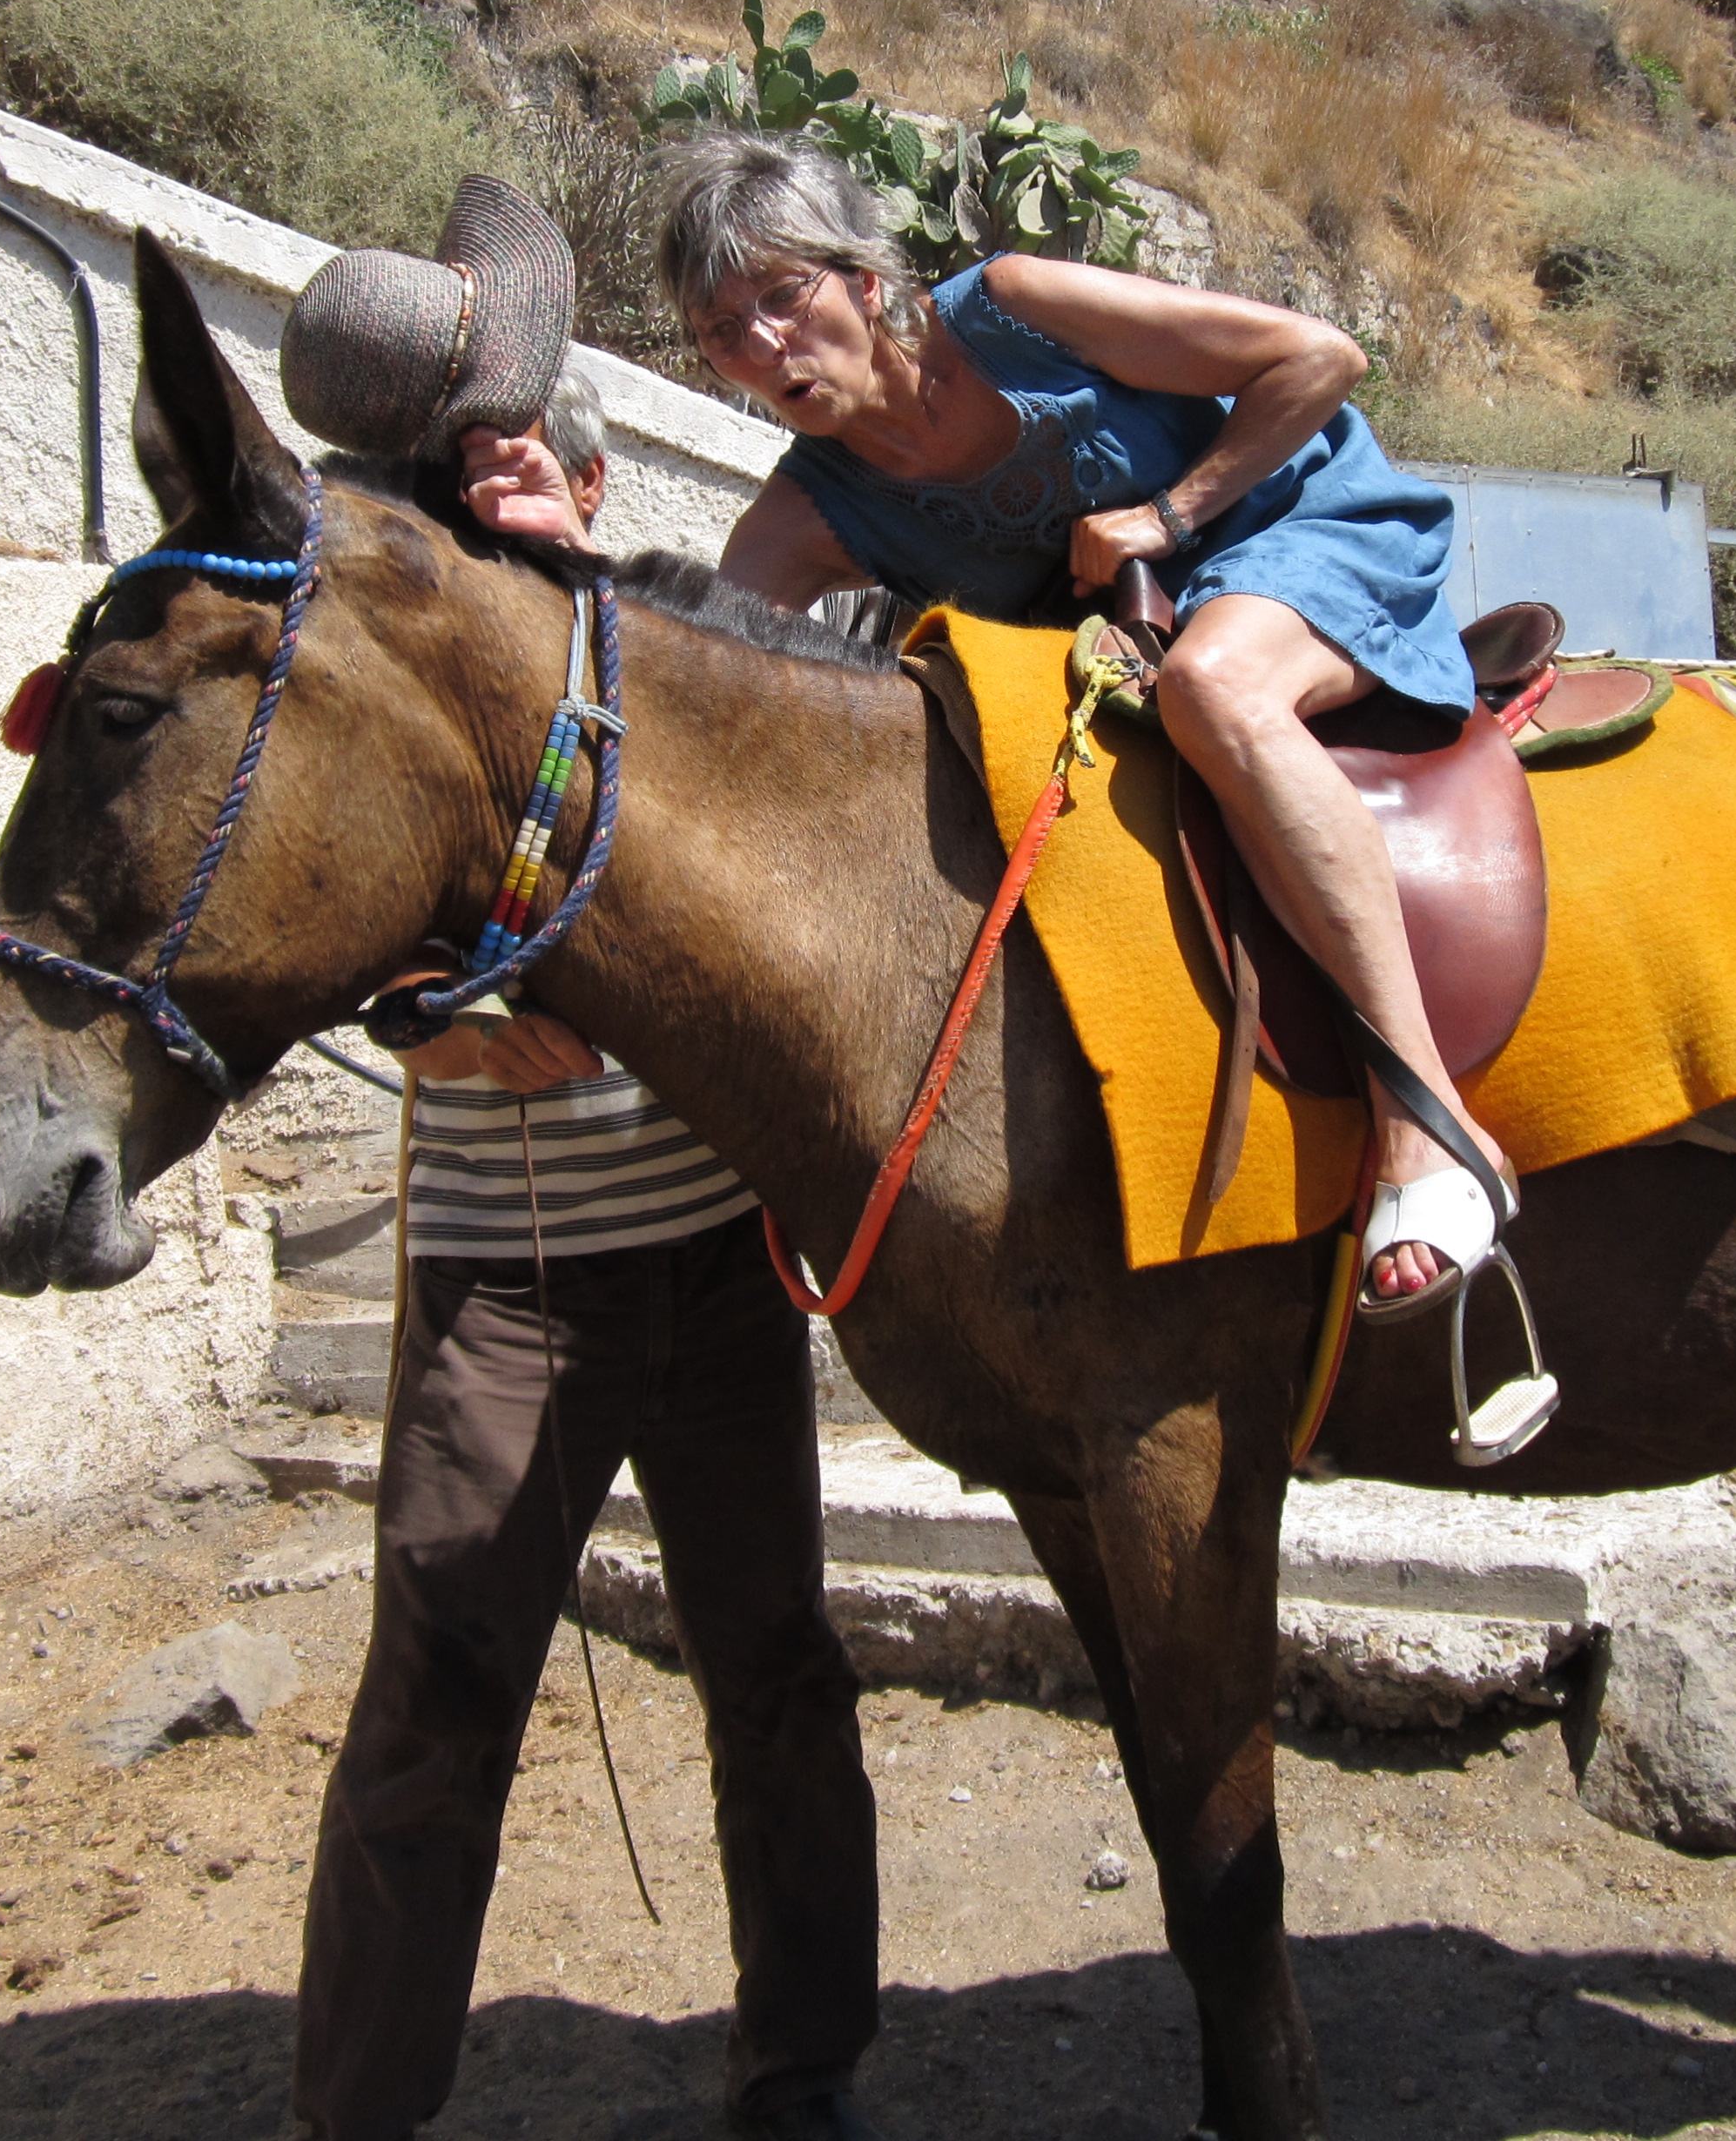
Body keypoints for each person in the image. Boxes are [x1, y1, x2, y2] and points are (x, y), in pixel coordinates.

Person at [459, 132, 1512, 1341]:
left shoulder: (1013, 310)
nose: (761, 346)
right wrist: (554, 559)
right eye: (722, 332)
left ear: (866, 282)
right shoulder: (811, 512)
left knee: (1218, 691)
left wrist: (1167, 515)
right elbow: (688, 684)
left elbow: (1318, 360)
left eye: (783, 296)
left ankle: (1427, 1118)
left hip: (1297, 526)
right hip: (1127, 655)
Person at [294, 372, 885, 2141]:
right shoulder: (421, 693)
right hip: (509, 1279)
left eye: (534, 459)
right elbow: (322, 894)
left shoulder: (688, 672)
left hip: (715, 1265)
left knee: (779, 1673)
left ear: (600, 481)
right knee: (438, 1693)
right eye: (471, 471)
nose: (506, 484)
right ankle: (357, 2116)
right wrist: (428, 1019)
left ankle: (802, 2079)